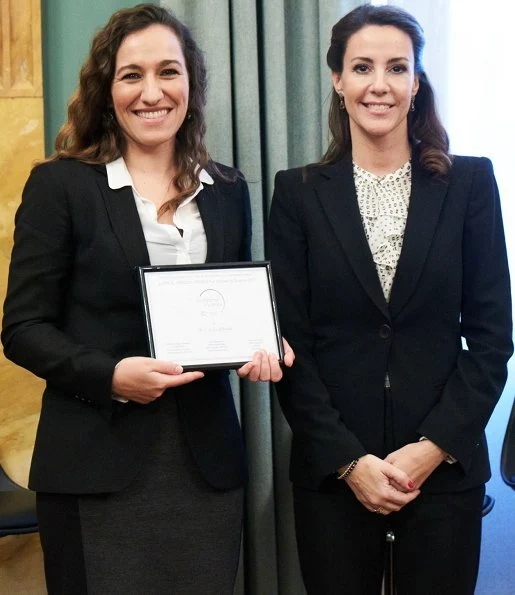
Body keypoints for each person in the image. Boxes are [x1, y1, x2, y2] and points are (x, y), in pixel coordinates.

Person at [2, 4, 293, 594]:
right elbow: (23, 328)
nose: (152, 92)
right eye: (131, 75)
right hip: (94, 465)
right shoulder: (60, 186)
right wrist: (110, 374)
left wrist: (265, 344)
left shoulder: (228, 189)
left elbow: (230, 305)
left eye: (169, 71)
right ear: (107, 90)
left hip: (205, 468)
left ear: (191, 83)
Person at [268, 4, 512, 595]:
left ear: (416, 82)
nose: (379, 84)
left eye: (397, 67)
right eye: (362, 67)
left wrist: (433, 449)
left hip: (443, 468)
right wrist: (350, 463)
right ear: (338, 80)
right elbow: (288, 344)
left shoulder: (471, 183)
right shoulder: (297, 194)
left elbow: (491, 338)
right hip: (334, 473)